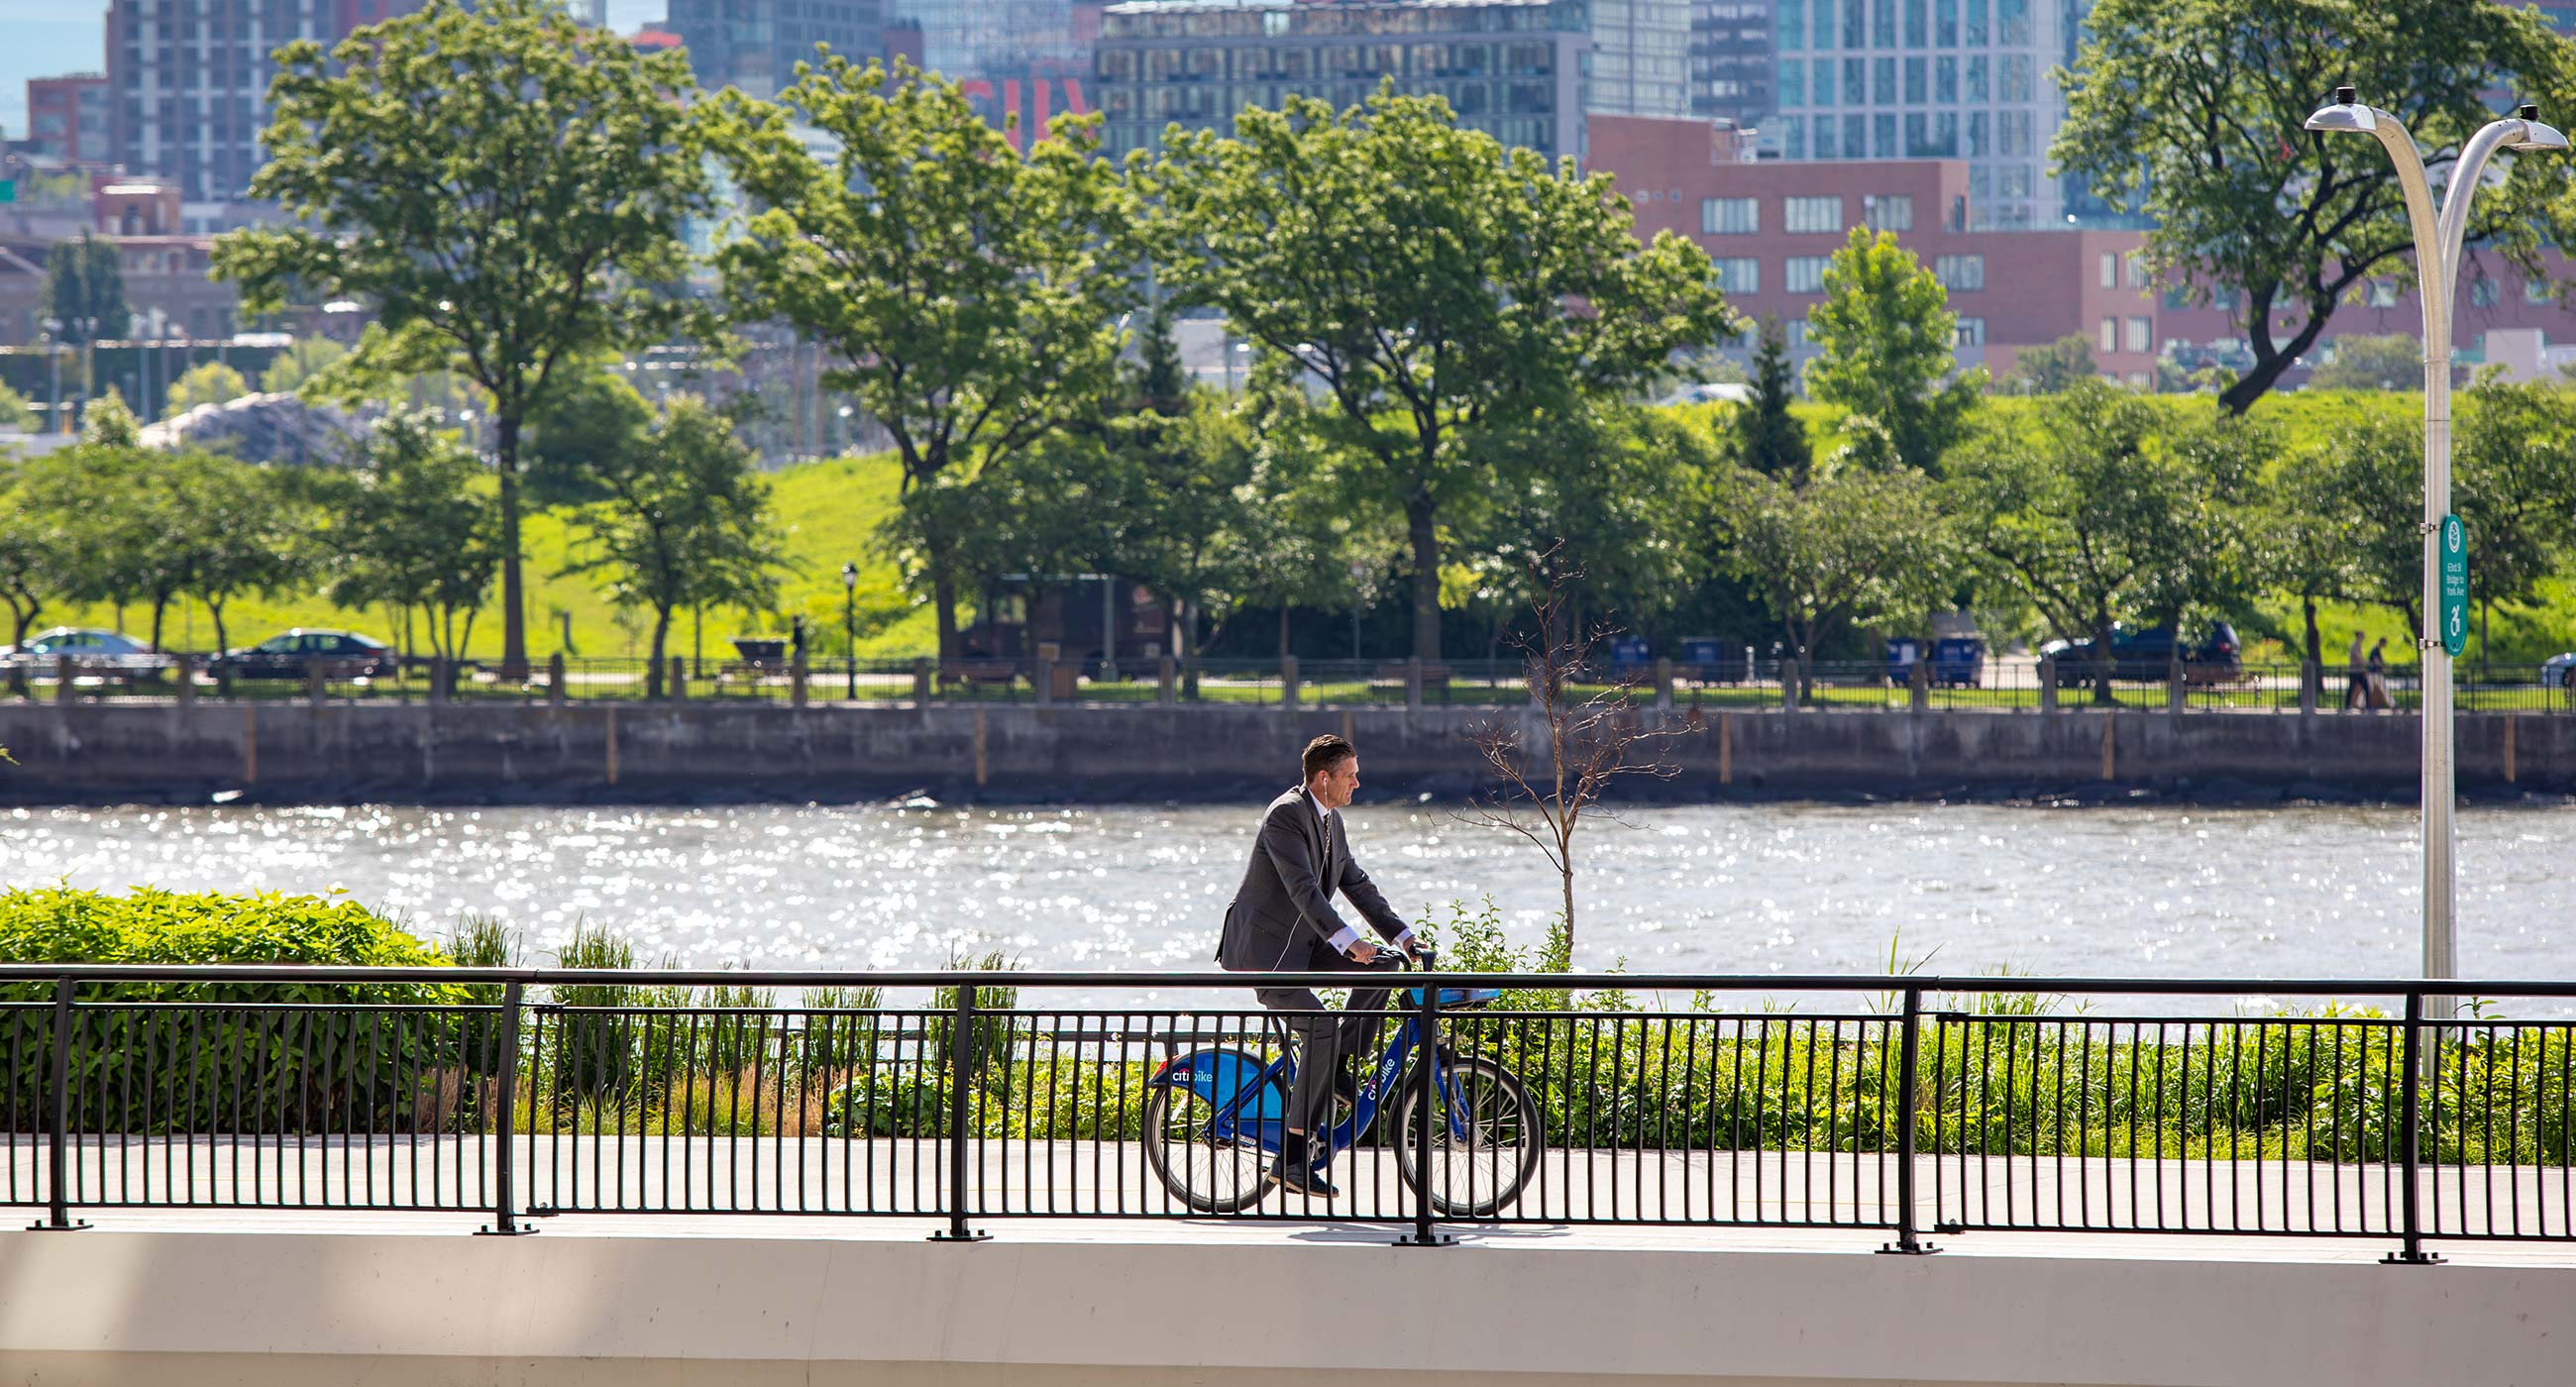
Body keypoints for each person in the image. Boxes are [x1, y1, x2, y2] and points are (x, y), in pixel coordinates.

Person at [1216, 733, 1423, 1198]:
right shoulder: (1285, 815)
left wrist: (1403, 937)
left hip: (1304, 946)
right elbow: (1303, 889)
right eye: (1350, 775)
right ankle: (1291, 1160)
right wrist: (1349, 942)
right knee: (1321, 1028)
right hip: (1266, 957)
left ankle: (1340, 1067)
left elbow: (1357, 883)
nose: (1358, 783)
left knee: (1384, 967)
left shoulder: (1331, 820)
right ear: (1324, 778)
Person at [2345, 630, 2368, 710]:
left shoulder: (2358, 645)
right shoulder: (2354, 646)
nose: (2363, 638)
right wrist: (2367, 663)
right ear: (2358, 636)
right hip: (2354, 672)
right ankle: (2347, 705)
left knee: (2366, 687)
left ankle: (2366, 706)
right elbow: (2359, 658)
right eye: (2362, 636)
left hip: (2359, 671)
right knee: (2352, 688)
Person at [2367, 636, 2392, 710]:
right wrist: (2382, 668)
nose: (2386, 645)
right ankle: (2392, 704)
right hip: (2375, 673)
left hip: (2374, 673)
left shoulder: (2376, 649)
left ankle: (2359, 704)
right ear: (2382, 642)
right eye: (2385, 643)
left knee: (2369, 689)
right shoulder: (2376, 650)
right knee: (2383, 688)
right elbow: (2376, 661)